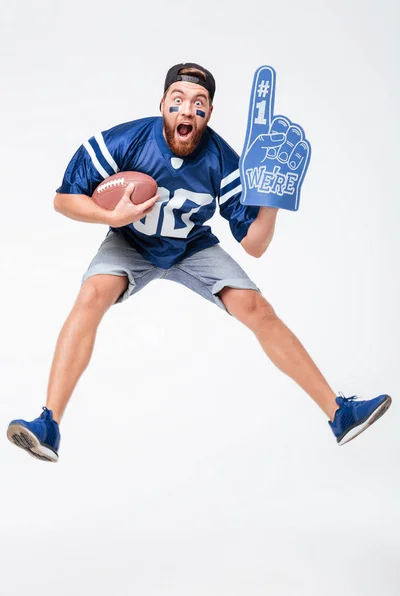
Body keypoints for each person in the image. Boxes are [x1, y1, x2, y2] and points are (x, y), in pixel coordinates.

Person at [7, 62, 391, 462]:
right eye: (178, 100)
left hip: (192, 246)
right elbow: (63, 199)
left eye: (199, 103)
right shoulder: (125, 141)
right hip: (130, 239)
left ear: (208, 113)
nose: (187, 110)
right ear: (162, 105)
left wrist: (274, 204)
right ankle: (48, 424)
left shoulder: (222, 159)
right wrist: (111, 218)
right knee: (91, 295)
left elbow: (255, 245)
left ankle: (339, 414)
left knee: (256, 309)